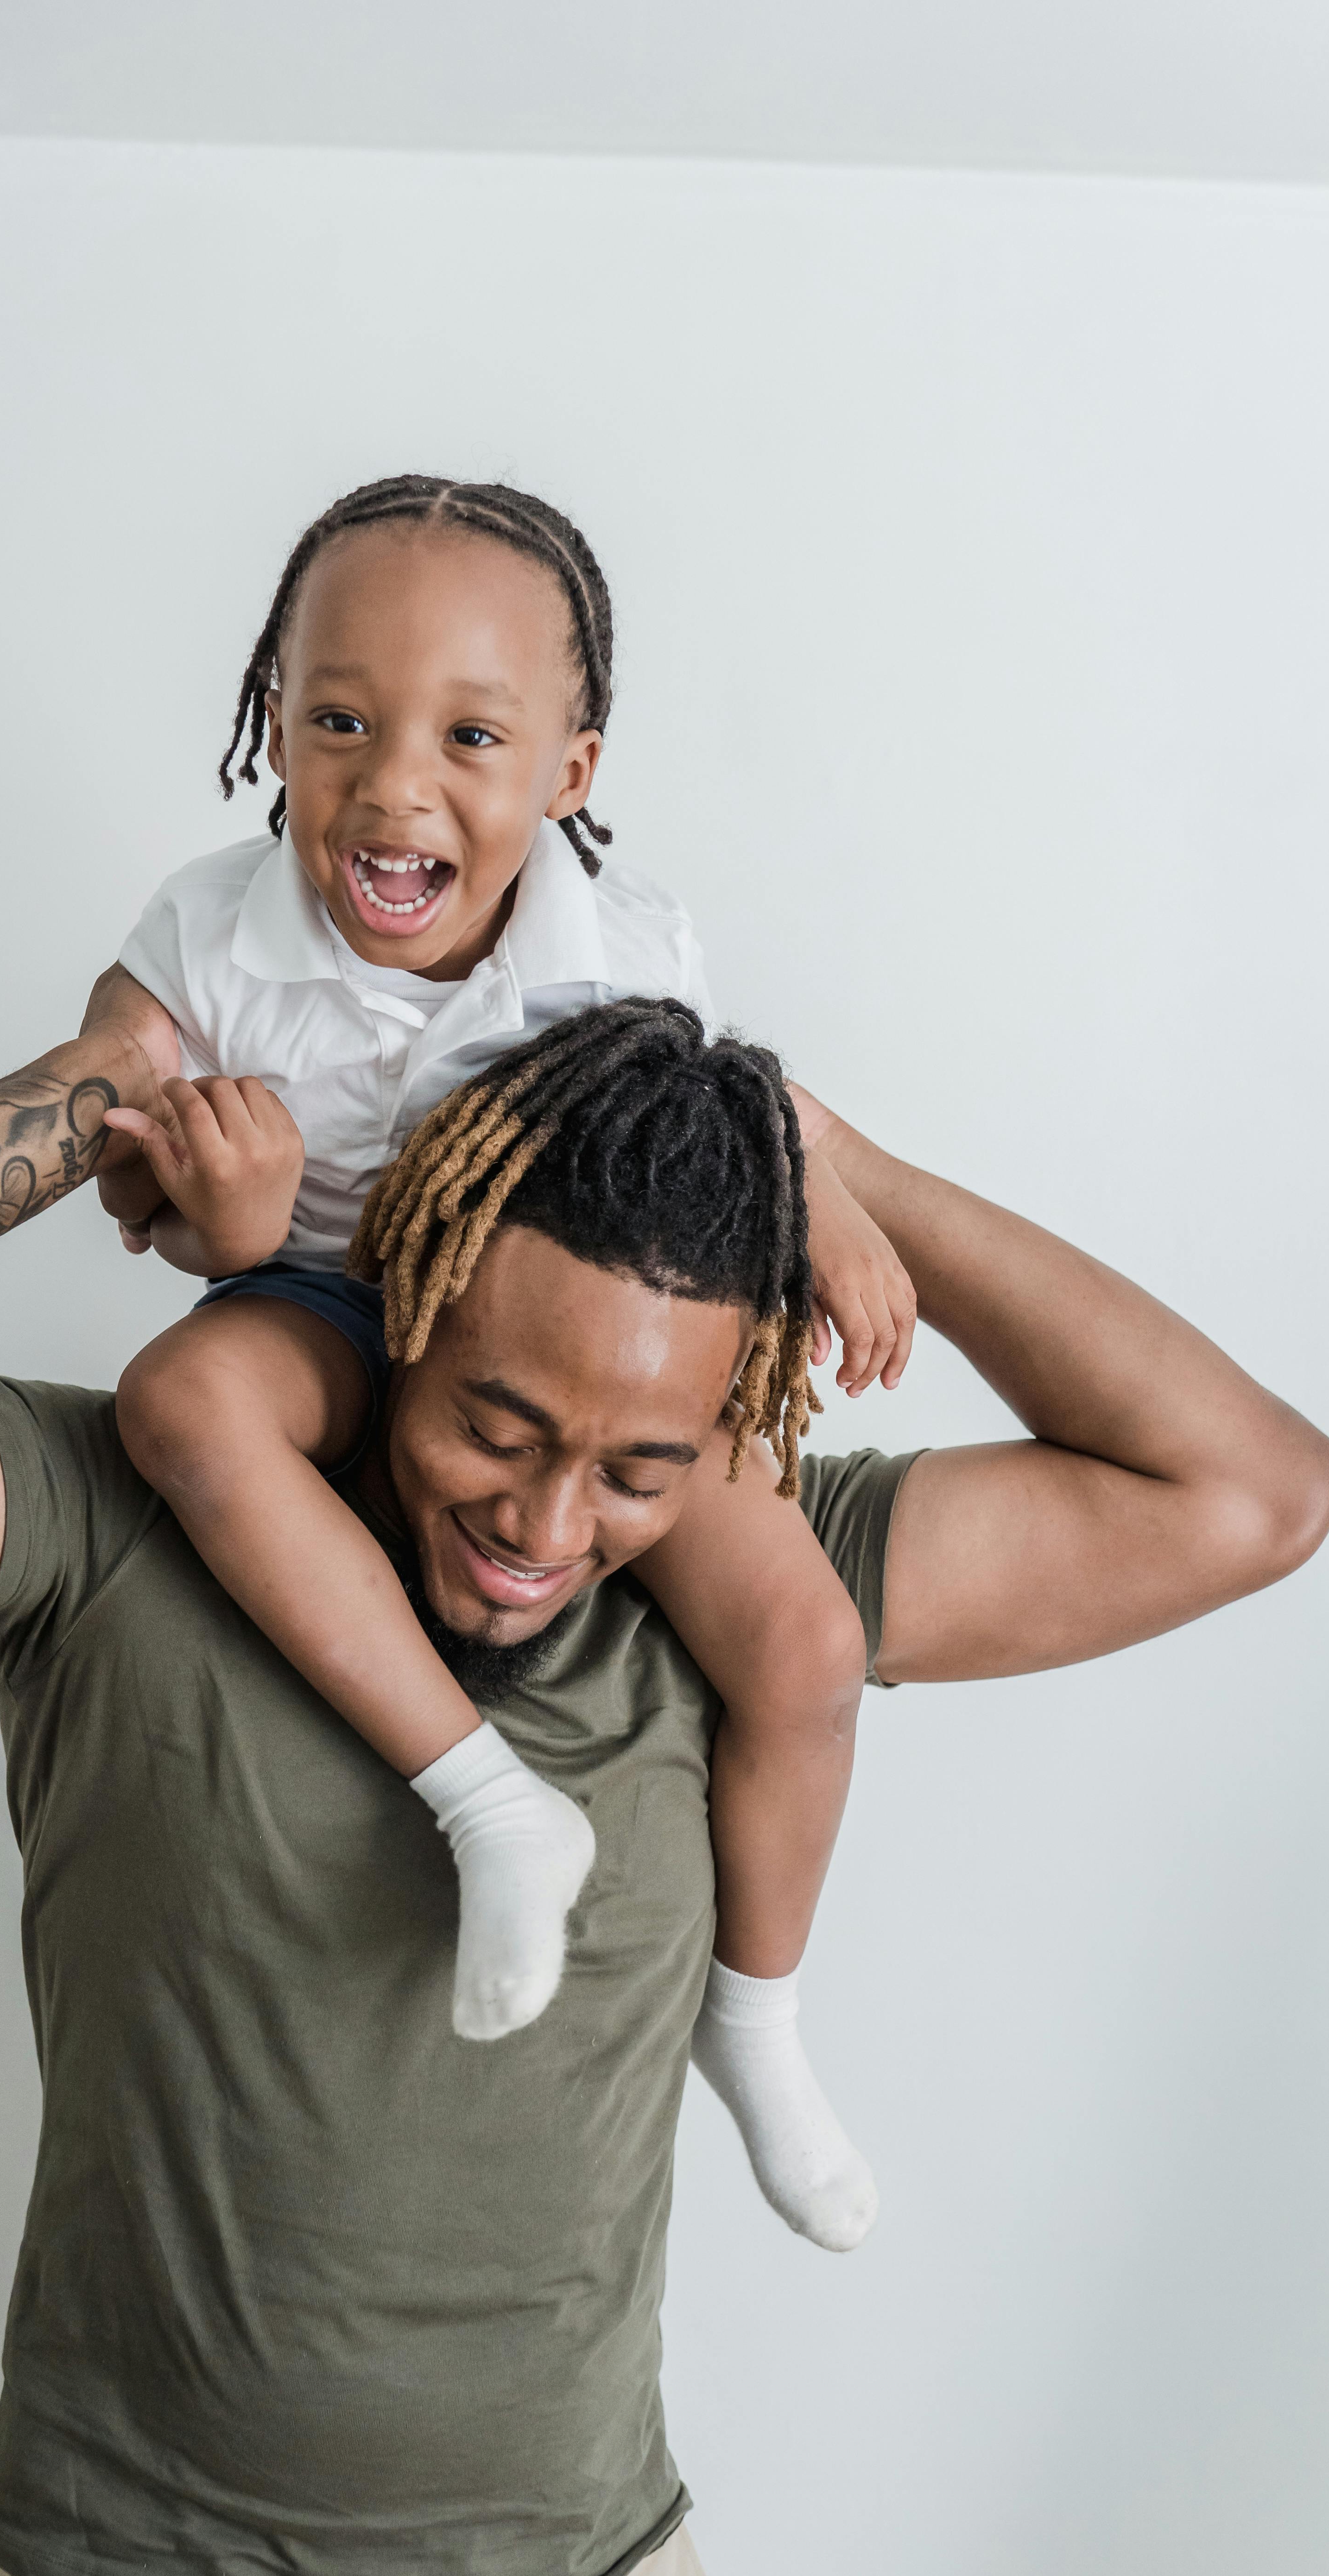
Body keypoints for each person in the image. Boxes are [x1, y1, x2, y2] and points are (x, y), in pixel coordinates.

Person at [0, 983, 1329, 2576]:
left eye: (639, 1469)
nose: (549, 1527)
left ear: (728, 1431)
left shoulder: (755, 1600)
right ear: (397, 1303)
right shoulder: (111, 1526)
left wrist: (826, 1160)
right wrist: (96, 1096)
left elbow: (1252, 1492)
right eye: (497, 1424)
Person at [101, 471, 918, 2254]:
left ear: (570, 772)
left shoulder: (616, 954)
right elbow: (116, 1137)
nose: (394, 786)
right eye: (338, 721)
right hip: (329, 1310)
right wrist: (210, 1222)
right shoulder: (209, 934)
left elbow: (732, 1129)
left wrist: (830, 1211)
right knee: (185, 1403)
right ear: (275, 726)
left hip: (554, 1366)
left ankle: (757, 2019)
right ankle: (490, 1804)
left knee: (806, 1636)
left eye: (471, 736)